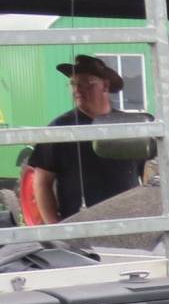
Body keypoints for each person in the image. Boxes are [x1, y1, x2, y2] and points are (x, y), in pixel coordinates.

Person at [25, 54, 147, 222]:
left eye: (86, 83)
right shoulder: (59, 129)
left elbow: (149, 175)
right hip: (79, 228)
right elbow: (42, 183)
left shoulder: (128, 125)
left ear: (105, 85)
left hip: (128, 223)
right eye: (73, 84)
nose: (77, 90)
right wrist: (56, 229)